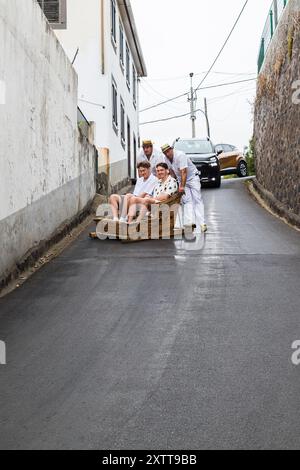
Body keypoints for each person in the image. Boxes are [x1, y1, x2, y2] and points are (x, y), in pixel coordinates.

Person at [161, 143, 207, 233]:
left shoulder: (180, 155)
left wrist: (182, 186)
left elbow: (184, 172)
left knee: (197, 199)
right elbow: (172, 172)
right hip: (181, 179)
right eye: (164, 152)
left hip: (192, 178)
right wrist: (174, 184)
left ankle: (202, 224)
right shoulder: (166, 159)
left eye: (168, 151)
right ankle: (191, 222)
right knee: (186, 200)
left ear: (171, 149)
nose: (167, 154)